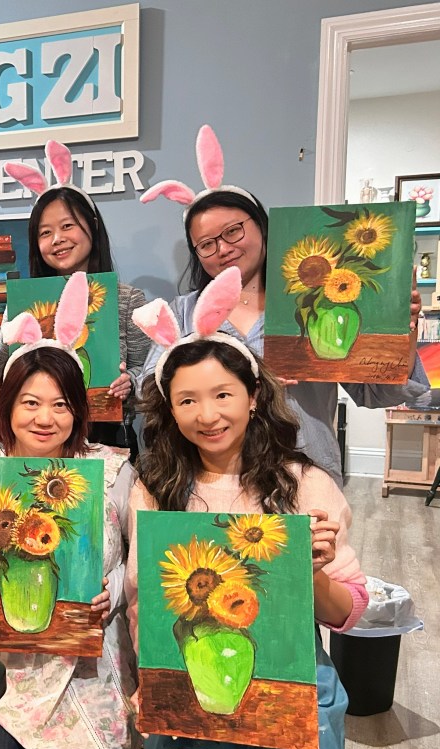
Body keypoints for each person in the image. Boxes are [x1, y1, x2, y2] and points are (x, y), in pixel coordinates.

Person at [125, 266, 367, 749]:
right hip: (191, 680)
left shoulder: (304, 482)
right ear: (170, 410)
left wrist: (311, 573)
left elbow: (348, 611)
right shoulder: (154, 489)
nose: (207, 415)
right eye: (187, 400)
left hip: (289, 680)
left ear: (253, 397)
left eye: (223, 395)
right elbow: (142, 603)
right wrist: (151, 676)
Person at [141, 124, 428, 485]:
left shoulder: (319, 303)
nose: (223, 249)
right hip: (211, 484)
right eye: (207, 244)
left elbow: (377, 392)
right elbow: (150, 392)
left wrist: (401, 332)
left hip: (305, 477)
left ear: (261, 226)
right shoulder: (183, 313)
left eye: (233, 231)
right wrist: (244, 382)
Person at [0, 272, 139, 749]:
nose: (45, 419)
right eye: (30, 403)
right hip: (4, 652)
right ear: (7, 407)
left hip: (90, 650)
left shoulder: (113, 471)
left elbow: (139, 562)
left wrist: (111, 592)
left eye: (61, 405)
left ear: (79, 411)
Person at [0, 141, 151, 458]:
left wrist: (130, 383)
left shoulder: (126, 299)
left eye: (67, 226)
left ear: (92, 227)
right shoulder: (23, 305)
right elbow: (4, 371)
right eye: (45, 232)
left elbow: (148, 374)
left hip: (108, 438)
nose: (58, 239)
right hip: (38, 443)